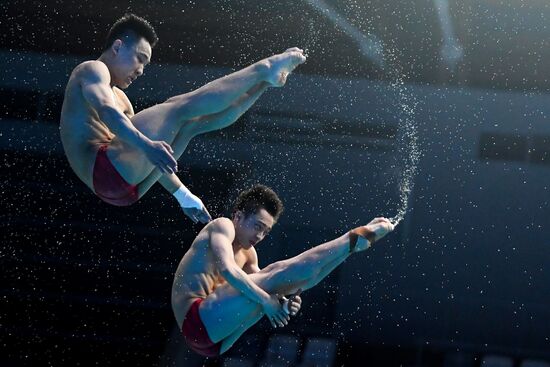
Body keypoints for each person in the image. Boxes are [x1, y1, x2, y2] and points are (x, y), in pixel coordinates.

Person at [60, 14, 306, 223]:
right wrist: (147, 145)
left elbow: (150, 156)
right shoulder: (92, 69)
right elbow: (106, 111)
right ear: (117, 47)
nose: (141, 70)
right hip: (105, 171)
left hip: (126, 191)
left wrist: (185, 196)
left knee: (191, 125)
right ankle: (265, 68)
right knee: (179, 107)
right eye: (140, 59)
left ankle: (265, 82)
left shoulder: (123, 100)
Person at [171, 184, 395, 357]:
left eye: (266, 232)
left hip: (220, 339)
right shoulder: (222, 226)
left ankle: (348, 250)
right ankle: (349, 240)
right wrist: (269, 301)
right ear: (238, 216)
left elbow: (267, 292)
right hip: (196, 320)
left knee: (290, 282)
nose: (259, 237)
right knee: (276, 272)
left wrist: (285, 301)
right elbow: (230, 272)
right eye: (257, 227)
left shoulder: (250, 255)